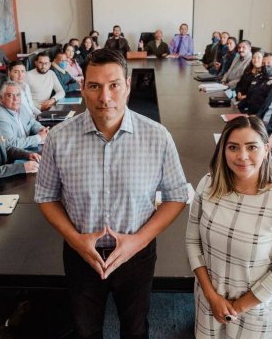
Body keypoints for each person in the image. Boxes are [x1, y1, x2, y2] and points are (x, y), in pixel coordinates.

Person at [35, 48, 188, 338]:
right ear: (82, 88)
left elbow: (177, 196)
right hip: (81, 253)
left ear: (128, 86)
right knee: (85, 329)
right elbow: (46, 196)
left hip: (137, 254)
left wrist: (137, 242)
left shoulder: (157, 137)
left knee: (135, 329)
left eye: (114, 85)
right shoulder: (58, 138)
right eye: (94, 86)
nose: (105, 97)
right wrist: (76, 241)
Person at [185, 116, 272, 339]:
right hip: (209, 302)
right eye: (233, 147)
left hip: (257, 310)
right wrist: (212, 297)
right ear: (223, 150)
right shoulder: (207, 185)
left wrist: (235, 309)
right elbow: (192, 242)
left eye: (252, 147)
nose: (242, 156)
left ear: (266, 149)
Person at [0, 81, 48, 150]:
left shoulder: (20, 106)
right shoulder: (0, 117)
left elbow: (32, 122)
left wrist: (41, 129)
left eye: (18, 95)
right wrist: (38, 137)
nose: (15, 99)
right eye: (10, 95)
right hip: (15, 155)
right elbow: (12, 144)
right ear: (1, 98)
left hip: (28, 146)